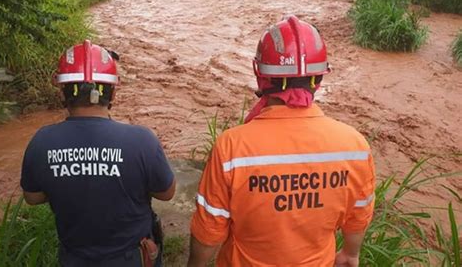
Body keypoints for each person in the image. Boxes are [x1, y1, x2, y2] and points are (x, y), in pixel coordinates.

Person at [188, 15, 375, 267]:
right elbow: (359, 213)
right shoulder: (355, 147)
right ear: (318, 79)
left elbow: (209, 230)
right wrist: (351, 253)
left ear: (261, 75)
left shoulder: (232, 148)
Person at [21, 40, 176, 267]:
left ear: (62, 90)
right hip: (132, 259)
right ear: (112, 91)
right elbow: (166, 193)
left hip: (74, 258)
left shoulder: (42, 141)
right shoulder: (142, 140)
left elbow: (32, 197)